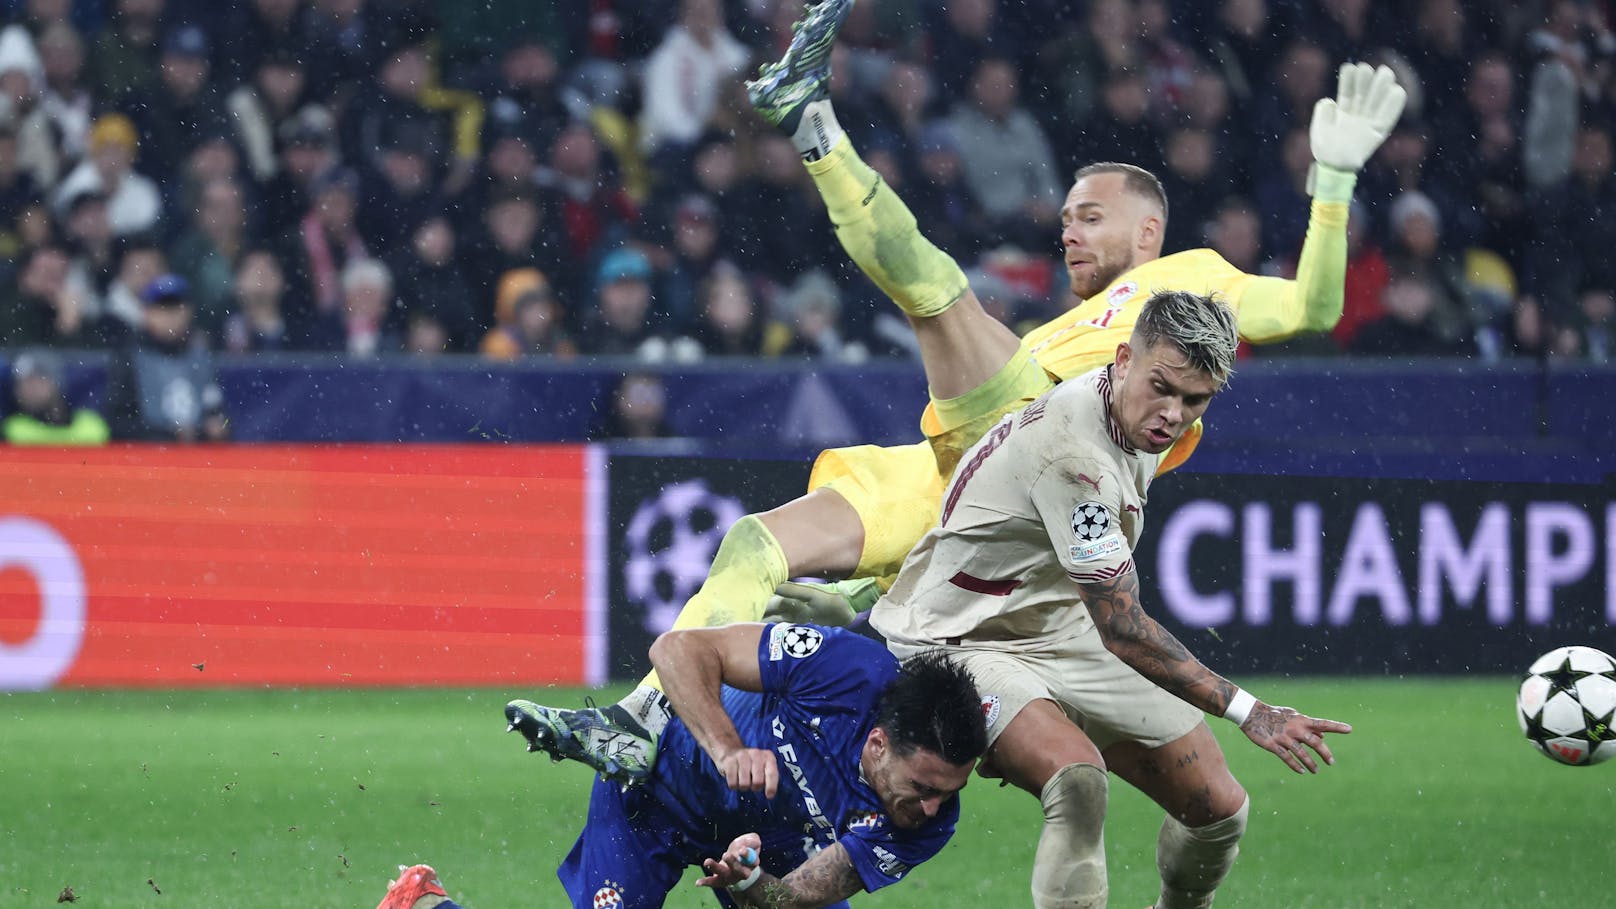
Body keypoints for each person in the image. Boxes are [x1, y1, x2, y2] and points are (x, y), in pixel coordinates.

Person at [518, 0, 1400, 812]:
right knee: (757, 541)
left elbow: (1312, 308)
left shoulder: (1191, 285)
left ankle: (812, 120)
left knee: (938, 293)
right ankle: (639, 717)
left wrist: (1331, 179)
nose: (1068, 230)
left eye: (1089, 215)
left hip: (1032, 444)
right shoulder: (1071, 321)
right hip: (947, 470)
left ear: (1148, 233)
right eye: (1063, 216)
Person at [872, 289, 1348, 909]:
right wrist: (1250, 711)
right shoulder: (1076, 458)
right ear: (1123, 359)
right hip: (964, 638)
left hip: (1060, 627)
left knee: (1218, 810)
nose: (1173, 414)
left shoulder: (1135, 414)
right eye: (1162, 388)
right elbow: (1123, 629)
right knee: (1077, 781)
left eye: (1194, 400)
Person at [500, 623, 983, 908]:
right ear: (878, 744)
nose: (934, 808)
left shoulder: (925, 823)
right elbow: (678, 649)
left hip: (772, 847)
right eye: (922, 787)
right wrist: (727, 750)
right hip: (656, 789)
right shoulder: (844, 669)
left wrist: (749, 882)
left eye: (949, 791)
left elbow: (795, 899)